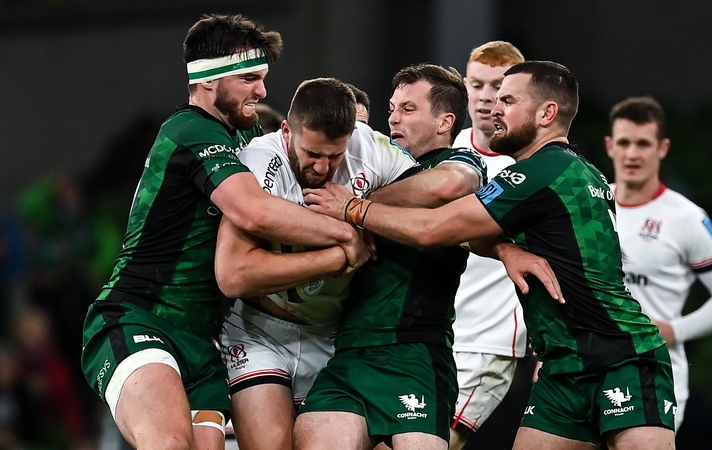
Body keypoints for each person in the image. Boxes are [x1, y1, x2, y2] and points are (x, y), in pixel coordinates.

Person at [304, 61, 678, 450]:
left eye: (508, 100)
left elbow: (434, 229)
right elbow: (480, 231)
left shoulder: (541, 172)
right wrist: (505, 250)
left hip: (621, 356)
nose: (493, 108)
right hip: (563, 367)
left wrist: (353, 208)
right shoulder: (574, 171)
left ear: (547, 113)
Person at [80, 14, 368, 450]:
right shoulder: (190, 129)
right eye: (250, 78)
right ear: (209, 79)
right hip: (139, 318)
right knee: (170, 442)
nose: (262, 91)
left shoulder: (248, 133)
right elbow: (253, 211)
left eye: (263, 78)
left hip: (204, 341)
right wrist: (347, 230)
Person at [214, 77, 417, 450]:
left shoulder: (369, 146)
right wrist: (339, 251)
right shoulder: (259, 162)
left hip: (334, 335)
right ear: (287, 130)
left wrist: (365, 209)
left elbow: (438, 187)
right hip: (260, 331)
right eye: (312, 154)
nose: (322, 168)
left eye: (334, 156)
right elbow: (234, 275)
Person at [293, 64, 488, 450]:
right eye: (393, 108)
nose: (394, 118)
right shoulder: (375, 167)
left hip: (414, 353)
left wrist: (354, 207)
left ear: (445, 121)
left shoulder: (460, 165)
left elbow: (447, 186)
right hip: (347, 351)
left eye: (409, 109)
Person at [604, 96, 712, 431]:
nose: (632, 154)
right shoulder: (590, 207)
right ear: (610, 146)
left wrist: (674, 330)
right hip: (588, 368)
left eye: (643, 143)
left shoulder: (686, 218)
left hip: (653, 373)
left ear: (663, 148)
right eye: (624, 142)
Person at [449, 40, 527, 450]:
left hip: (487, 343)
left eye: (498, 87)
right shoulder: (442, 152)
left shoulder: (530, 165)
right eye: (477, 85)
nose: (485, 97)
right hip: (428, 335)